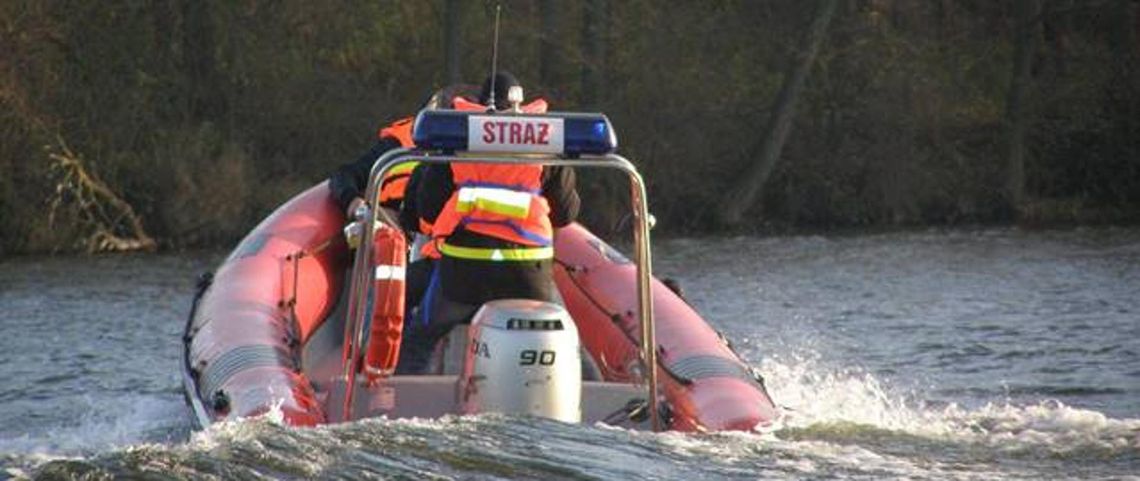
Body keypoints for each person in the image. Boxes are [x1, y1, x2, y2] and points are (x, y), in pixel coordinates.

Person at [396, 71, 580, 374]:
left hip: (462, 275)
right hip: (528, 275)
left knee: (420, 338)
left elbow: (427, 211)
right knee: (567, 337)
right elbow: (565, 214)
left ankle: (397, 404)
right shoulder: (546, 145)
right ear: (522, 106)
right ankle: (591, 394)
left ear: (480, 103)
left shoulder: (456, 141)